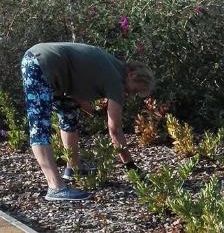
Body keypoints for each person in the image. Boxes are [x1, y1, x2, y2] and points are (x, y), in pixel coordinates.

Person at [21, 42, 155, 201]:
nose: (131, 94)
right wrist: (131, 166)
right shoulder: (117, 80)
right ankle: (55, 187)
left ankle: (74, 168)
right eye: (135, 90)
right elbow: (115, 130)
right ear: (132, 75)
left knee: (69, 115)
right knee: (39, 126)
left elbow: (78, 89)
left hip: (48, 65)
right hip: (40, 64)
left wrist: (93, 111)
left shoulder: (113, 67)